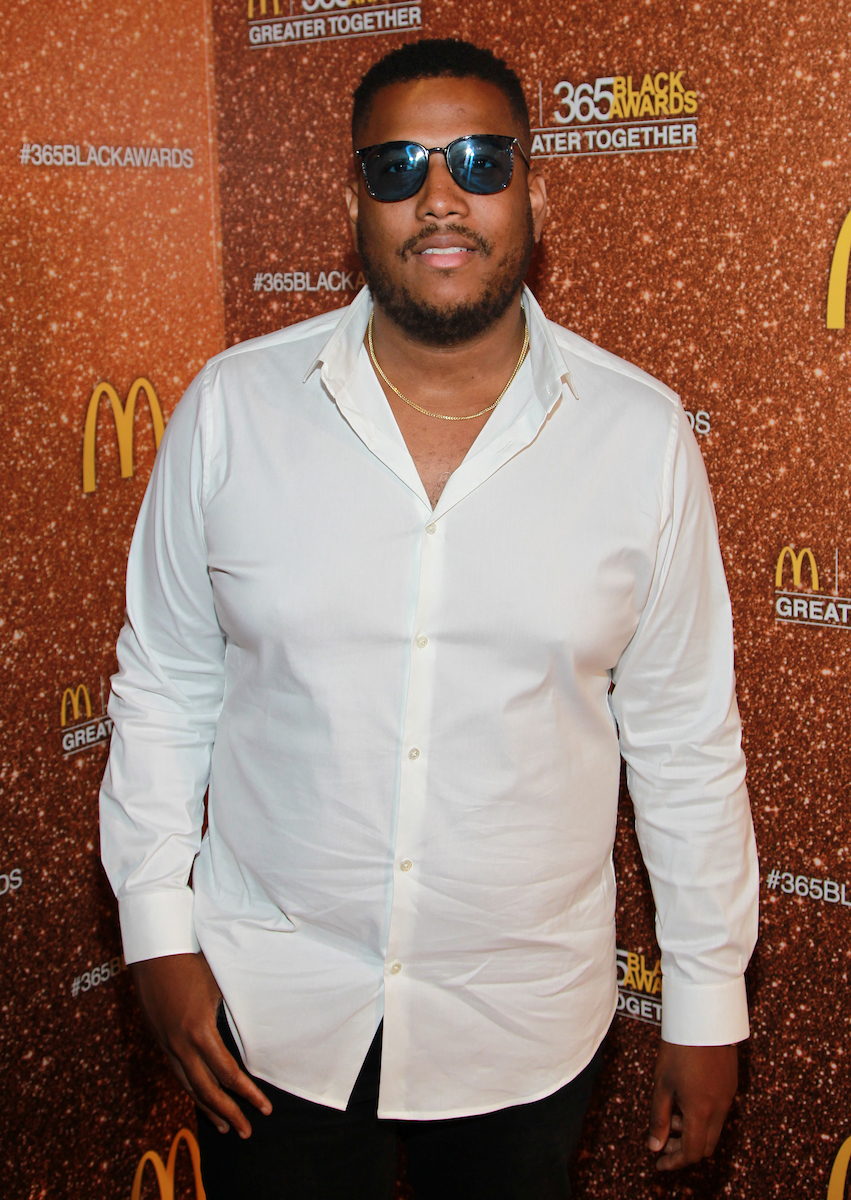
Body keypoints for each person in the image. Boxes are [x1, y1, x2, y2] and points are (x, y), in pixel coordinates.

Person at [100, 37, 758, 1200]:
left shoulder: (640, 437)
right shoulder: (231, 412)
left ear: (534, 192)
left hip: (523, 1031)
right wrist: (157, 932)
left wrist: (705, 999)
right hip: (268, 1017)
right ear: (352, 198)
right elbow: (164, 682)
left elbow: (681, 739)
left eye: (479, 160)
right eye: (398, 165)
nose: (439, 197)